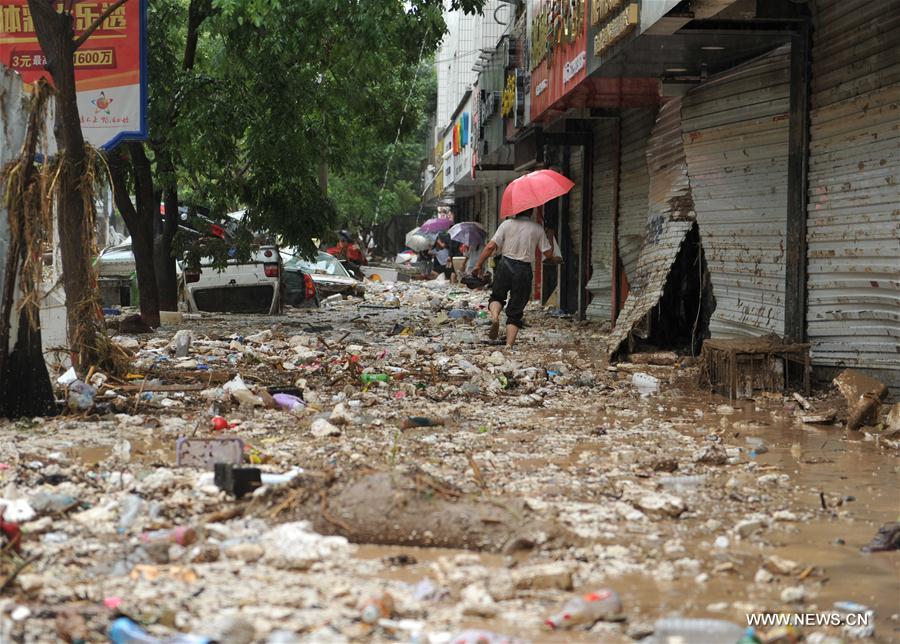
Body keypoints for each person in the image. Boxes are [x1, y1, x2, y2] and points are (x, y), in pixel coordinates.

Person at [473, 209, 558, 348]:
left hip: (505, 266)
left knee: (497, 297)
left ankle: (495, 317)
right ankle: (508, 345)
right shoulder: (537, 229)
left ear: (516, 210)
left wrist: (478, 265)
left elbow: (490, 247)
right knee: (516, 311)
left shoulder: (506, 224)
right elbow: (548, 254)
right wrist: (550, 236)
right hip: (524, 270)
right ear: (530, 212)